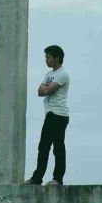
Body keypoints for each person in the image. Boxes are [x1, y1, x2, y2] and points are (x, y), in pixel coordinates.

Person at [26, 45, 69, 186]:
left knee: (58, 147)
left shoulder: (63, 74)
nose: (46, 60)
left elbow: (47, 90)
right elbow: (40, 91)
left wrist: (46, 88)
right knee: (43, 147)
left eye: (48, 57)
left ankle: (58, 179)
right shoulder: (49, 74)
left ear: (57, 58)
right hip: (50, 114)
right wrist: (45, 88)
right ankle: (37, 178)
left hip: (59, 115)